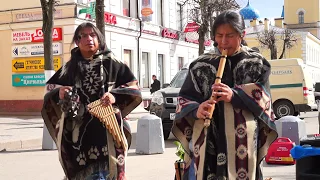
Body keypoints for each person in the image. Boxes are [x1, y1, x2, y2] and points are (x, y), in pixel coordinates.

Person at [171, 10, 278, 180]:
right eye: (219, 35)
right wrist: (196, 109)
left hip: (243, 141)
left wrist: (234, 95)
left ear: (241, 35)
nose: (223, 41)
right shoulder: (200, 64)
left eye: (229, 35)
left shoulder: (257, 63)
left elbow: (264, 99)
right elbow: (184, 99)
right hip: (207, 139)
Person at [41, 22, 142, 180]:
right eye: (84, 35)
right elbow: (50, 91)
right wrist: (60, 93)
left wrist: (114, 96)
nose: (89, 39)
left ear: (99, 39)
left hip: (108, 131)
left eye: (93, 35)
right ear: (77, 41)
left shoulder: (113, 63)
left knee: (110, 170)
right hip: (79, 133)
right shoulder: (69, 68)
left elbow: (133, 87)